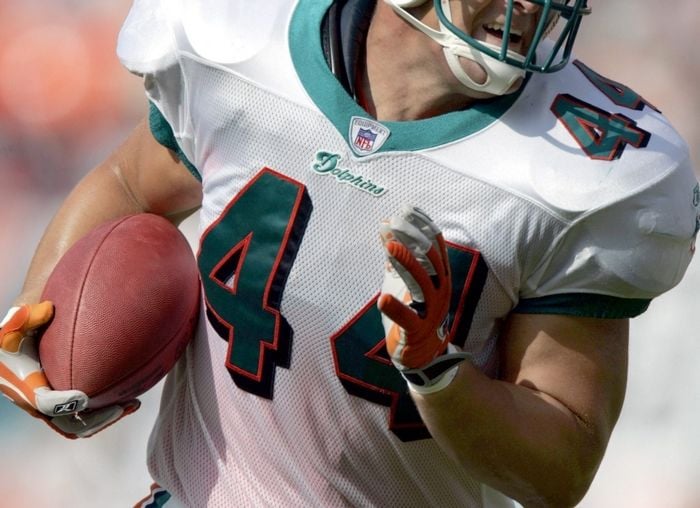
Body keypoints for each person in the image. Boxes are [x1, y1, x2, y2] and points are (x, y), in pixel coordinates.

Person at [0, 0, 697, 506]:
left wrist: (439, 372)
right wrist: (39, 331)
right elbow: (129, 183)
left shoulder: (583, 170)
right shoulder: (242, 45)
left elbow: (560, 465)